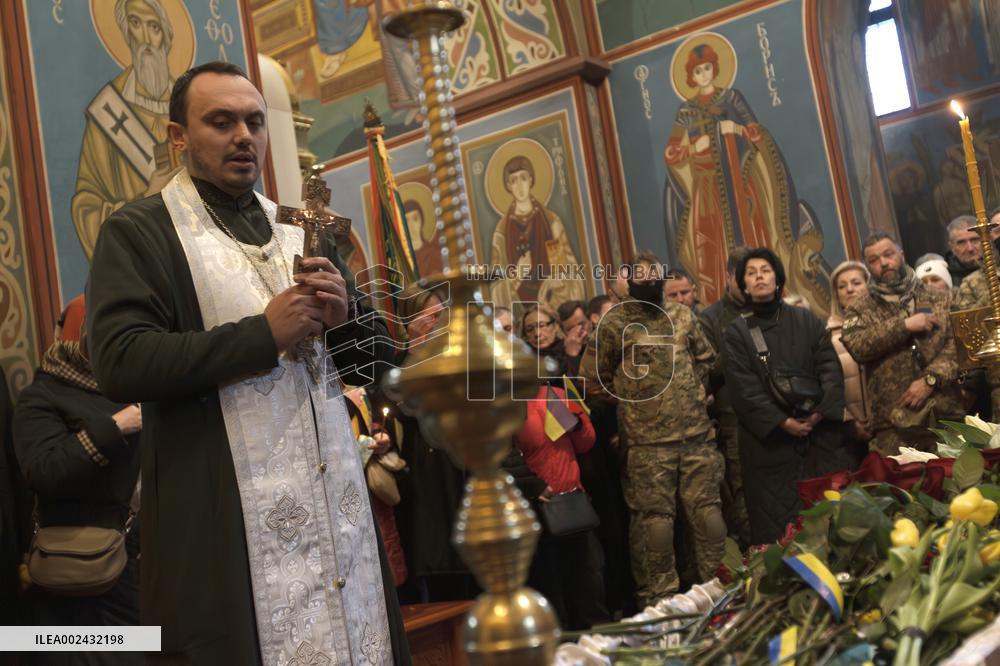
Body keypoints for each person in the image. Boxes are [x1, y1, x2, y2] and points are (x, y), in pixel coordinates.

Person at [86, 62, 408, 665]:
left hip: (335, 512)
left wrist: (349, 319)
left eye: (255, 121)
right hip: (224, 518)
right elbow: (120, 362)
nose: (244, 135)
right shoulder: (142, 232)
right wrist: (262, 336)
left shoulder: (302, 230)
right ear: (177, 136)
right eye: (221, 121)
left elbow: (376, 363)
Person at [13, 296, 141, 665]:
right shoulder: (43, 394)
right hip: (76, 572)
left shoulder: (141, 386)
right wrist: (118, 426)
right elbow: (45, 471)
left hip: (137, 571)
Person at [595, 251, 724, 606]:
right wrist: (636, 400)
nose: (650, 280)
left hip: (696, 437)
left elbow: (706, 359)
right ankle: (660, 600)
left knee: (709, 516)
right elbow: (596, 379)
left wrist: (696, 391)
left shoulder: (682, 315)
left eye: (655, 274)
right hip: (648, 444)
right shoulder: (616, 324)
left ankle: (717, 589)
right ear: (629, 281)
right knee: (657, 525)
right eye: (641, 275)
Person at [663, 42, 829, 309]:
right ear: (690, 77)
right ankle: (725, 307)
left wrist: (737, 129)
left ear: (715, 69)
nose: (704, 75)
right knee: (712, 250)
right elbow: (671, 153)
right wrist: (694, 147)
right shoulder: (686, 111)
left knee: (754, 238)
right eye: (698, 71)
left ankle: (769, 300)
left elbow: (756, 133)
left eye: (707, 68)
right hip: (707, 190)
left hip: (742, 186)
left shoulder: (732, 98)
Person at [724, 248, 845, 545]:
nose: (759, 277)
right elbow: (743, 389)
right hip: (768, 447)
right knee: (778, 536)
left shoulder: (807, 321)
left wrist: (818, 413)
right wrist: (781, 422)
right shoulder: (737, 332)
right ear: (744, 284)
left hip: (816, 440)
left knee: (827, 522)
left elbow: (830, 368)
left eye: (764, 270)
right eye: (751, 273)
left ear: (777, 277)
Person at [384, 284, 473, 604]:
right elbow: (404, 410)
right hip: (421, 483)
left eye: (441, 316)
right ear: (411, 321)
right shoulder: (394, 366)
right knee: (437, 584)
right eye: (431, 316)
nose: (438, 323)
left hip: (462, 476)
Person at [72, 0, 180, 258]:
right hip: (145, 262)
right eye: (135, 23)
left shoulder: (192, 108)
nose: (145, 38)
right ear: (125, 32)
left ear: (165, 37)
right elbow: (85, 207)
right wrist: (147, 198)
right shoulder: (107, 112)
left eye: (153, 26)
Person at [841, 233, 964, 456]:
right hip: (893, 420)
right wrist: (904, 325)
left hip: (945, 410)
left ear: (901, 254)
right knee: (905, 488)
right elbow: (857, 346)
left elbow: (958, 344)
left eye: (888, 254)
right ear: (868, 267)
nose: (884, 263)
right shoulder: (859, 308)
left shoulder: (942, 297)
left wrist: (931, 379)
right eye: (875, 260)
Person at [515, 379, 607, 630]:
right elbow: (507, 457)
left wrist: (577, 425)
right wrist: (533, 487)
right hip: (539, 507)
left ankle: (597, 648)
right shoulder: (507, 403)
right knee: (551, 590)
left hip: (573, 499)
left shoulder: (554, 394)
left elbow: (586, 443)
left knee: (590, 584)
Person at [698, 246, 751, 548]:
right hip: (735, 421)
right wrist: (737, 341)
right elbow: (706, 373)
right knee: (743, 499)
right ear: (728, 276)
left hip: (778, 417)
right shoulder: (711, 319)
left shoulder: (773, 310)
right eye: (742, 278)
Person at [488, 155, 585, 313]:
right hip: (521, 312)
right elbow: (496, 287)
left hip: (553, 304)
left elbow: (565, 268)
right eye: (514, 180)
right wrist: (518, 275)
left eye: (523, 178)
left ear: (531, 180)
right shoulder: (501, 232)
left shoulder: (550, 222)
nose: (519, 186)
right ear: (508, 186)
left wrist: (555, 281)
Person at [827, 261, 872, 463]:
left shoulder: (887, 324)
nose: (850, 289)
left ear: (868, 285)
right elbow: (828, 385)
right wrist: (851, 422)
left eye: (856, 283)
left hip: (889, 420)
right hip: (849, 431)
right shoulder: (827, 336)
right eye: (842, 286)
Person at [945, 215, 982, 287]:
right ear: (951, 247)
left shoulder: (997, 267)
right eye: (961, 242)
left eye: (974, 240)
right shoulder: (945, 278)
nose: (970, 248)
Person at [556, 300, 590, 376]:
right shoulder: (559, 354)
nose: (578, 331)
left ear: (590, 320)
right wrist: (572, 355)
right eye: (571, 329)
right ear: (564, 332)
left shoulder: (604, 339)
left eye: (581, 324)